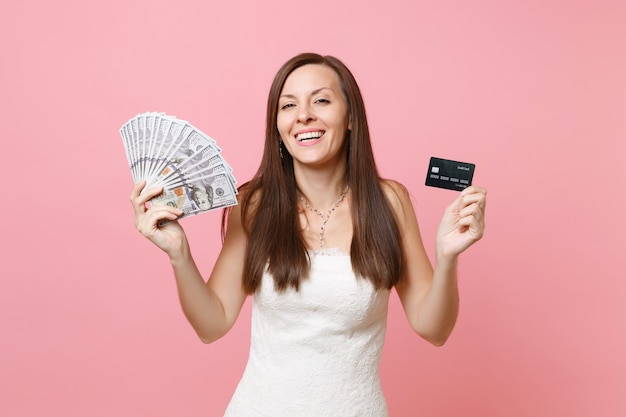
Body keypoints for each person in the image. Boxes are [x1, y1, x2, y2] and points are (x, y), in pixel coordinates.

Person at [130, 52, 487, 417]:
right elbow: (213, 323)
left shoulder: (389, 203)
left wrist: (447, 257)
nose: (304, 115)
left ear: (350, 118)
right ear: (278, 126)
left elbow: (434, 329)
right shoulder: (253, 204)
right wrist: (179, 254)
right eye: (288, 105)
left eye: (321, 100)